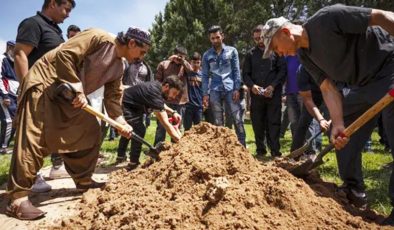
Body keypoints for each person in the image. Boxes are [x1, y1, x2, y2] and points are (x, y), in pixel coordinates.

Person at [261, 4, 394, 225]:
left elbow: (381, 16)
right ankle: (355, 191)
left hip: (389, 68)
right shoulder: (305, 56)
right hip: (362, 84)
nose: (280, 54)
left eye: (276, 48)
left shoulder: (327, 19)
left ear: (285, 32)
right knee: (341, 136)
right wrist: (339, 123)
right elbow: (327, 89)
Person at [6, 27, 150, 220]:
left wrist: (121, 122)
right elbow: (65, 54)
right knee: (34, 136)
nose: (141, 57)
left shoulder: (120, 67)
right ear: (132, 43)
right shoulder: (99, 37)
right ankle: (17, 198)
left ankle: (83, 179)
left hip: (69, 95)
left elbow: (113, 97)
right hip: (45, 84)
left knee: (90, 130)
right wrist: (77, 88)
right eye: (141, 52)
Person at [14, 0, 76, 188]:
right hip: (35, 90)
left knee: (48, 134)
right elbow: (20, 54)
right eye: (66, 9)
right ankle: (29, 178)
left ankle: (47, 169)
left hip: (52, 93)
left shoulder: (55, 31)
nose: (68, 14)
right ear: (52, 4)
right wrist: (27, 87)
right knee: (31, 135)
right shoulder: (33, 24)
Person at [242, 25, 286, 157]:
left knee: (274, 122)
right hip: (257, 96)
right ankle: (260, 150)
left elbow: (282, 71)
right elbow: (245, 75)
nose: (259, 41)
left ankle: (275, 151)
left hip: (273, 94)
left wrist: (272, 86)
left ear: (266, 35)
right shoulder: (250, 54)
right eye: (256, 39)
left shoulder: (276, 51)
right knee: (257, 123)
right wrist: (252, 86)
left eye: (261, 37)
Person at [122, 76, 183, 170]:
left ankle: (120, 156)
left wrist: (173, 112)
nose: (173, 97)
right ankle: (133, 163)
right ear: (167, 86)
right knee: (138, 130)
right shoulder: (154, 92)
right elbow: (166, 124)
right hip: (126, 105)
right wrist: (181, 143)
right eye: (174, 93)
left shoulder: (157, 89)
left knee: (130, 129)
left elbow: (161, 104)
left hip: (132, 106)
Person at [202, 25, 246, 146]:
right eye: (212, 38)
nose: (215, 40)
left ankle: (242, 147)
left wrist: (237, 88)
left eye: (217, 37)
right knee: (218, 121)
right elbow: (205, 76)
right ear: (210, 39)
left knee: (237, 119)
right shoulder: (206, 55)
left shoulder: (232, 51)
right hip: (214, 90)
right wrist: (205, 93)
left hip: (231, 89)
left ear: (222, 36)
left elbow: (237, 71)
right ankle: (221, 148)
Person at [116, 59, 154, 163]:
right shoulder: (127, 63)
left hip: (139, 101)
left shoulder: (146, 67)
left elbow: (149, 82)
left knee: (129, 128)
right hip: (127, 98)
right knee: (132, 127)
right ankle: (129, 159)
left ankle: (122, 156)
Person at [154, 46, 191, 145]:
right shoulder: (163, 64)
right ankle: (158, 149)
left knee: (177, 126)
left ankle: (175, 150)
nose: (180, 59)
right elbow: (157, 82)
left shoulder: (185, 66)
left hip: (180, 101)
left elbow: (192, 72)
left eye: (182, 57)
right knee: (161, 126)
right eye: (179, 56)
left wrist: (183, 61)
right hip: (165, 101)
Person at [290, 65, 330, 154]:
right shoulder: (302, 71)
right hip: (313, 94)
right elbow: (308, 99)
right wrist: (321, 119)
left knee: (334, 123)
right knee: (304, 122)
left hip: (331, 92)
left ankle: (337, 151)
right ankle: (294, 155)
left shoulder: (330, 64)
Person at [0, 41, 19, 154]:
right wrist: (5, 95)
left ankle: (4, 145)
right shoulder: (2, 58)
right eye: (14, 48)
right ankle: (3, 147)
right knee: (8, 121)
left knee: (15, 121)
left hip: (15, 96)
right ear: (9, 47)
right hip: (5, 95)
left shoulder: (15, 62)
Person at [184, 52, 203, 131]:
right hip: (188, 106)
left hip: (198, 106)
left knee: (198, 130)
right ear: (190, 62)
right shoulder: (186, 73)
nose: (196, 64)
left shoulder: (203, 75)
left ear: (200, 63)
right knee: (187, 129)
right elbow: (182, 61)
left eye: (198, 62)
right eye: (194, 62)